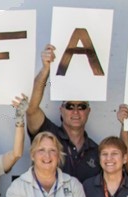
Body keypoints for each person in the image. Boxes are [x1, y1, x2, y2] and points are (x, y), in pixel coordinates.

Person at [26, 44, 101, 182]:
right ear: (61, 109)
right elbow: (31, 109)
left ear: (89, 111)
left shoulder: (97, 151)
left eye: (82, 106)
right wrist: (45, 70)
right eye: (70, 106)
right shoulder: (48, 134)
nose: (76, 111)